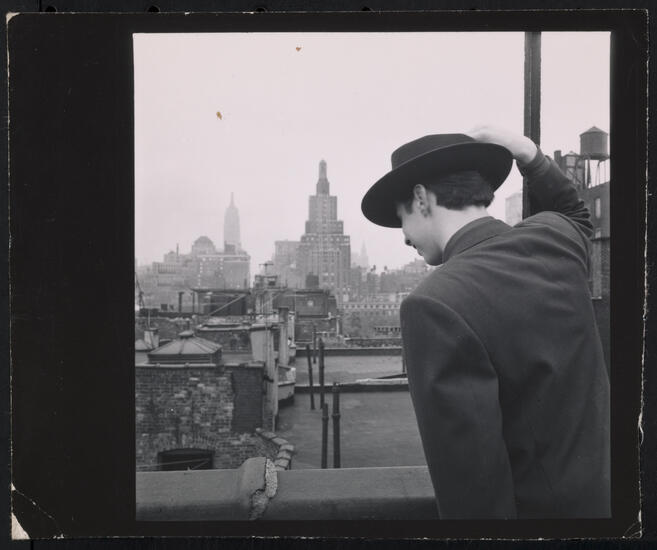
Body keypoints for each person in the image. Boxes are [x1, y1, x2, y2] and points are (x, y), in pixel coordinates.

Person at [361, 126, 610, 519]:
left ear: (421, 198)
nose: (405, 237)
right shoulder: (558, 239)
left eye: (401, 217)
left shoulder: (433, 303)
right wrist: (529, 155)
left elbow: (473, 491)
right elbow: (576, 212)